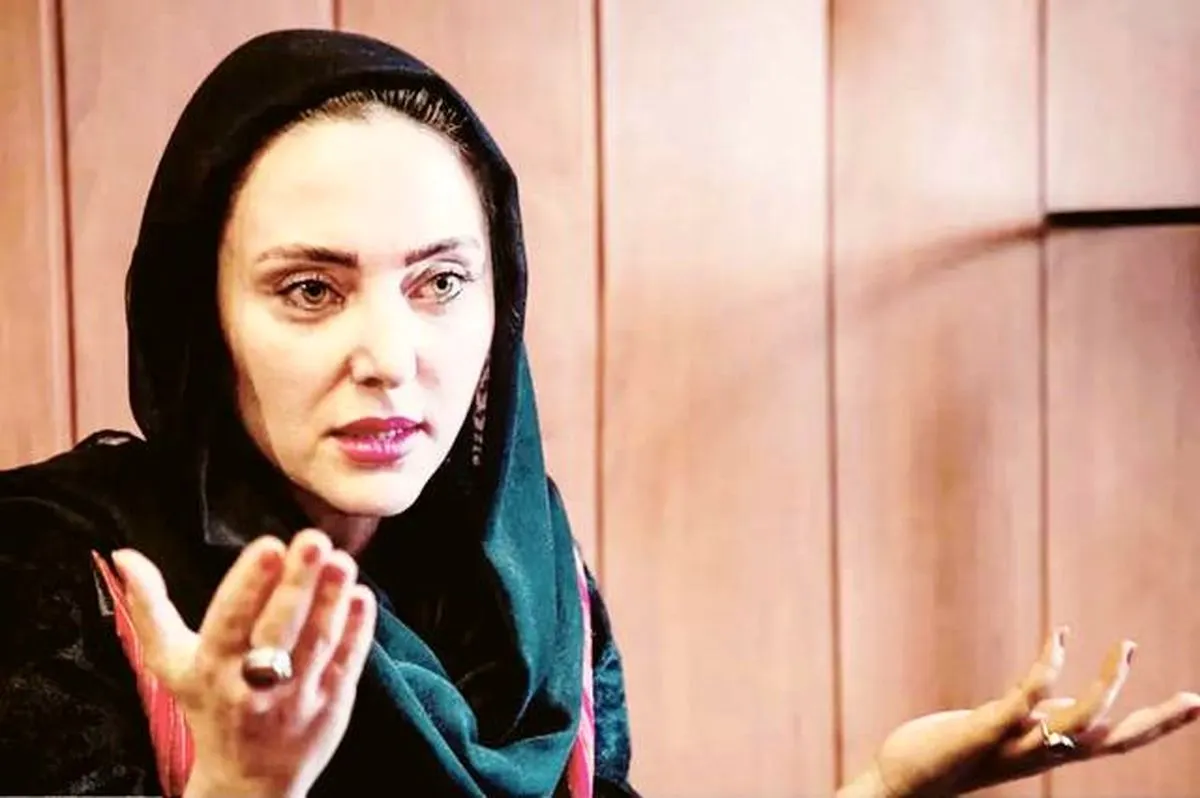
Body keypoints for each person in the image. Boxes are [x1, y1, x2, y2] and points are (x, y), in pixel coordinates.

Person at [0, 28, 1194, 798]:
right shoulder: (59, 576)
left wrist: (881, 789)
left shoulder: (527, 584)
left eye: (440, 284)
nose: (391, 358)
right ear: (201, 318)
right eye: (309, 290)